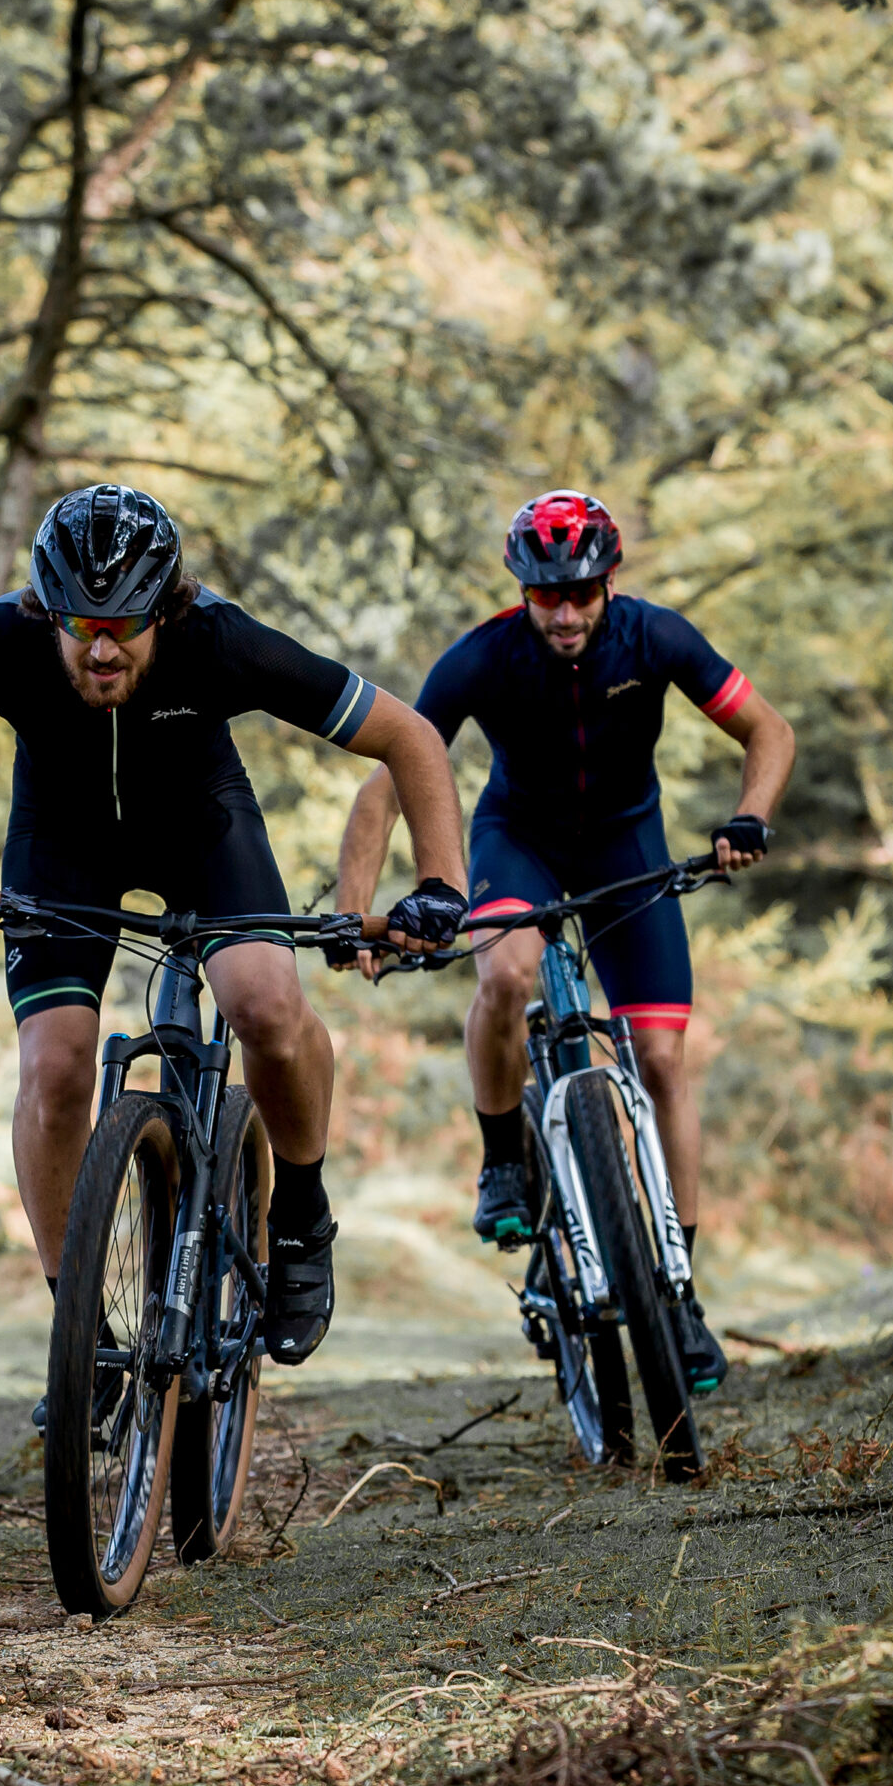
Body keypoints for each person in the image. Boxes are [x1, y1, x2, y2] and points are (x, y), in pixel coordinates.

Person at [0, 483, 470, 1375]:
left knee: (265, 1005)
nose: (101, 646)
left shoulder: (220, 642)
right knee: (53, 1066)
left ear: (166, 606)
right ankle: (77, 1332)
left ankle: (302, 1217)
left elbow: (410, 737)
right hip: (62, 842)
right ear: (47, 607)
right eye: (80, 624)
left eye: (124, 624)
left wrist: (441, 882)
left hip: (203, 830)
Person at [332, 490, 795, 1392]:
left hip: (628, 846)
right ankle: (504, 1161)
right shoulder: (481, 658)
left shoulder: (657, 638)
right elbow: (394, 775)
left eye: (583, 592)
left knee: (661, 1060)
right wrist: (356, 908)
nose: (568, 612)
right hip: (522, 844)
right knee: (505, 974)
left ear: (608, 581)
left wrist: (750, 814)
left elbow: (766, 730)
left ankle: (679, 1294)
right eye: (549, 596)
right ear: (523, 591)